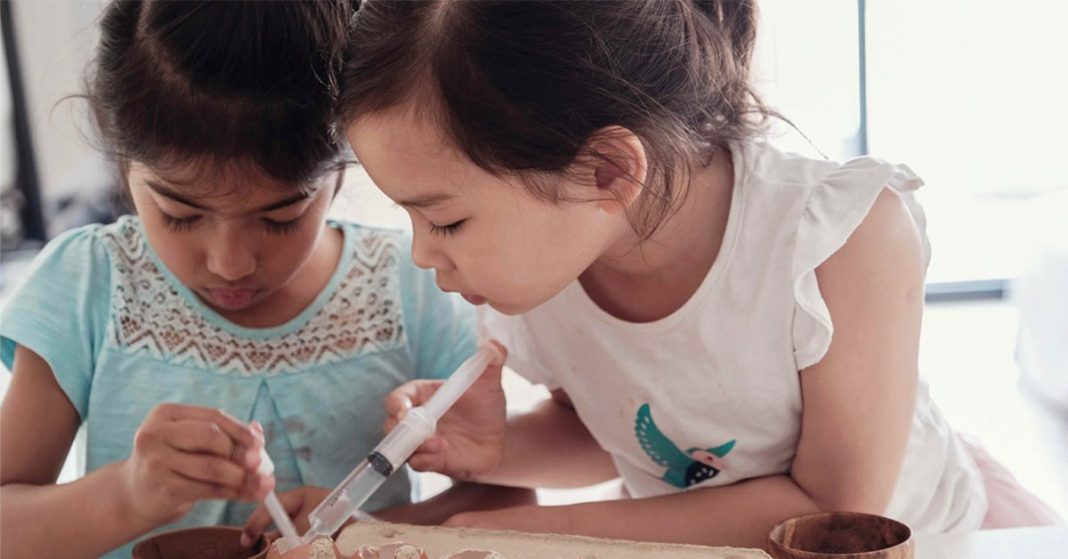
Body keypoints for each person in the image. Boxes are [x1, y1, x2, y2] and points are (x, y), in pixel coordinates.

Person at [339, 0, 1061, 548]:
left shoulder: (840, 239)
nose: (424, 255)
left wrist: (510, 538)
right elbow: (622, 424)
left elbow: (830, 511)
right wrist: (503, 447)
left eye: (446, 221)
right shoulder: (546, 268)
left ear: (607, 170)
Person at [0, 2, 527, 558]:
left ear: (345, 165)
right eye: (181, 214)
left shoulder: (408, 284)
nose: (230, 264)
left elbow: (508, 502)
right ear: (122, 162)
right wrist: (128, 494)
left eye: (280, 220)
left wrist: (373, 528)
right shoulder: (90, 284)